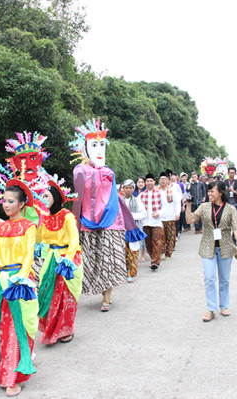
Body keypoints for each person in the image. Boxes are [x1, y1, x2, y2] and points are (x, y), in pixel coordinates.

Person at [70, 118, 146, 312]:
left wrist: (129, 222)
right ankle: (95, 290)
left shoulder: (109, 172)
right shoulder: (80, 170)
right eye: (94, 145)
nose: (99, 150)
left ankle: (107, 297)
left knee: (108, 260)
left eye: (102, 145)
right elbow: (77, 195)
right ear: (85, 149)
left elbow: (115, 197)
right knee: (90, 261)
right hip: (87, 222)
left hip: (111, 222)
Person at [0, 180, 39, 397]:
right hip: (3, 283)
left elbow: (29, 256)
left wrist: (20, 279)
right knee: (3, 329)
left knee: (18, 328)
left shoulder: (29, 227)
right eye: (4, 200)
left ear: (22, 204)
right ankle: (8, 370)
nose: (6, 204)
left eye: (11, 201)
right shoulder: (0, 228)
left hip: (19, 285)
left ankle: (14, 376)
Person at [185, 181, 237, 322]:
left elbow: (236, 228)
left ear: (221, 192)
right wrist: (188, 206)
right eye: (208, 191)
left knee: (224, 279)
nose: (209, 194)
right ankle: (211, 309)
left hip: (226, 247)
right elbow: (190, 220)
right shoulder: (204, 207)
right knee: (209, 278)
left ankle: (224, 306)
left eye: (212, 191)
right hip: (207, 247)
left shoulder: (230, 209)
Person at [36, 179, 83, 344]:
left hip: (67, 260)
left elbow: (74, 240)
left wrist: (67, 261)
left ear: (55, 197)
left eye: (46, 196)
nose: (43, 199)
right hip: (51, 259)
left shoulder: (67, 216)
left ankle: (66, 329)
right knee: (48, 293)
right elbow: (39, 238)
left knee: (66, 296)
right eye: (42, 196)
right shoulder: (46, 217)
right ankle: (52, 327)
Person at [121, 179, 147, 282]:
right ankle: (126, 271)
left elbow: (143, 214)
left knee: (134, 251)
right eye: (126, 188)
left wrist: (130, 216)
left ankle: (132, 273)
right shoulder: (120, 201)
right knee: (124, 252)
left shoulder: (137, 201)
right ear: (123, 189)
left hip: (133, 229)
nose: (128, 190)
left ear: (133, 189)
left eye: (130, 188)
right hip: (122, 230)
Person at [140, 174, 165, 270]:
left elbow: (165, 206)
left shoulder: (159, 194)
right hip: (145, 222)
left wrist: (159, 213)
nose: (149, 183)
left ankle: (155, 262)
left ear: (154, 182)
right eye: (148, 181)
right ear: (146, 183)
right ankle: (153, 257)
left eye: (151, 181)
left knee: (157, 241)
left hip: (156, 222)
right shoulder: (141, 195)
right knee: (148, 243)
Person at [158, 172, 181, 260]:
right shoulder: (157, 191)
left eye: (165, 179)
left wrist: (177, 213)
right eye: (161, 179)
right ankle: (161, 252)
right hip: (160, 217)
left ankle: (168, 254)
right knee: (161, 236)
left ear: (168, 180)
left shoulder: (172, 190)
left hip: (170, 216)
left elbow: (177, 202)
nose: (163, 181)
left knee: (170, 236)